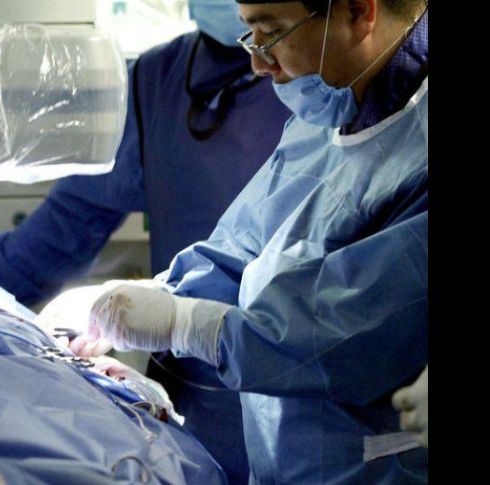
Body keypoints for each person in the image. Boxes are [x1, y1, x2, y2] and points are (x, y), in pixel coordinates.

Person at [60, 0, 428, 482]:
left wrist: (183, 324)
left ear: (360, 13)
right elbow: (246, 244)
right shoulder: (330, 106)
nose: (257, 63)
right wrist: (161, 293)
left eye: (270, 34)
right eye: (249, 35)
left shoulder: (418, 153)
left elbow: (346, 340)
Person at [0, 1, 292, 482]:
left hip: (296, 396)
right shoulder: (159, 78)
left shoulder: (322, 83)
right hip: (193, 409)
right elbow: (67, 224)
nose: (263, 58)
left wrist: (180, 313)